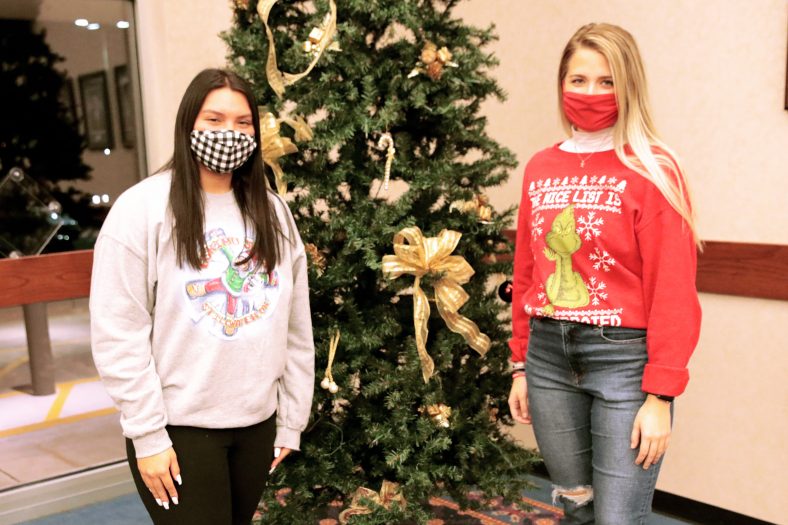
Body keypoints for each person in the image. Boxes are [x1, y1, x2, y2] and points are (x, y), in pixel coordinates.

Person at [90, 68, 315, 524]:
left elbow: (295, 322)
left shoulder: (271, 210)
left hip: (257, 424)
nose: (229, 133)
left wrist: (291, 418)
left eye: (242, 122)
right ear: (188, 124)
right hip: (180, 429)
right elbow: (119, 331)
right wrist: (147, 435)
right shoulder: (143, 209)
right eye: (214, 120)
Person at [508, 24, 701, 524]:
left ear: (629, 86)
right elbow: (528, 273)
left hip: (623, 364)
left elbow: (673, 290)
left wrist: (660, 395)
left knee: (617, 518)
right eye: (578, 80)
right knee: (575, 507)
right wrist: (521, 364)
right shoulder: (540, 167)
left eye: (606, 81)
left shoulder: (653, 169)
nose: (590, 93)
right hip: (548, 357)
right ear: (561, 85)